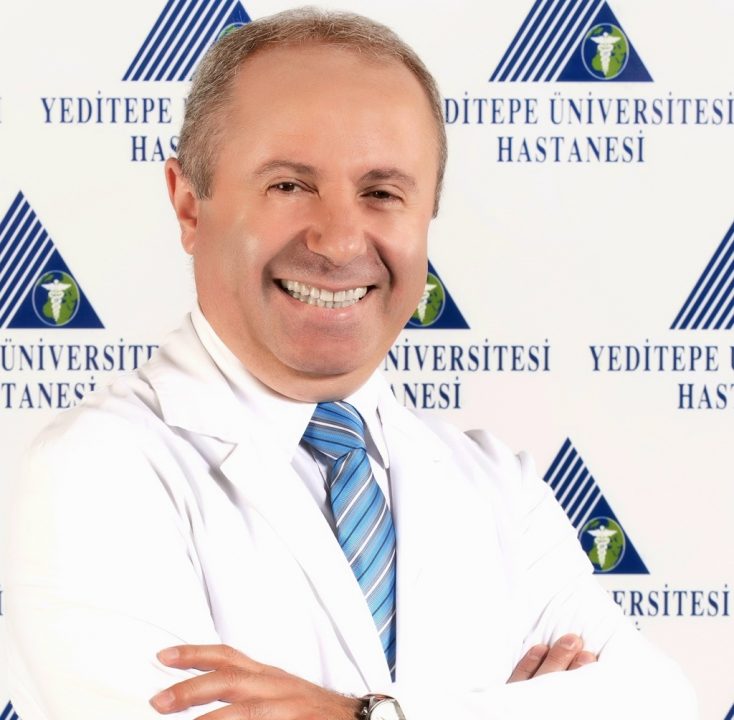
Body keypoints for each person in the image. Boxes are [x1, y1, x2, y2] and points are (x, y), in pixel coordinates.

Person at [6, 8, 697, 720]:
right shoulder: (94, 471)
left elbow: (662, 705)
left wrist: (364, 715)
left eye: (381, 193)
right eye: (289, 185)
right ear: (189, 205)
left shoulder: (496, 486)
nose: (339, 242)